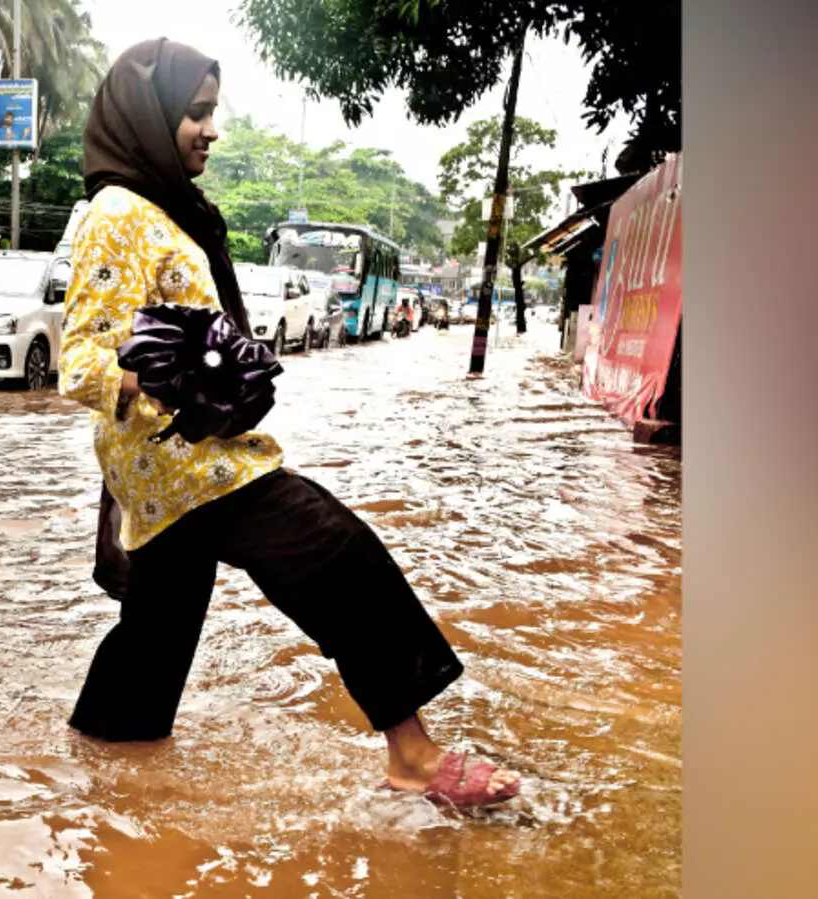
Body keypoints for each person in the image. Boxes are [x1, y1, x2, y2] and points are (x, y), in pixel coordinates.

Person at [58, 39, 522, 807]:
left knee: (149, 649)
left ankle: (90, 784)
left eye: (214, 114)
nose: (211, 131)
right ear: (149, 114)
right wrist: (187, 376)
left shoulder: (166, 212)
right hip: (195, 464)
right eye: (196, 113)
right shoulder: (120, 215)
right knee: (339, 555)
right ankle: (411, 752)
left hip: (169, 478)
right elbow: (80, 360)